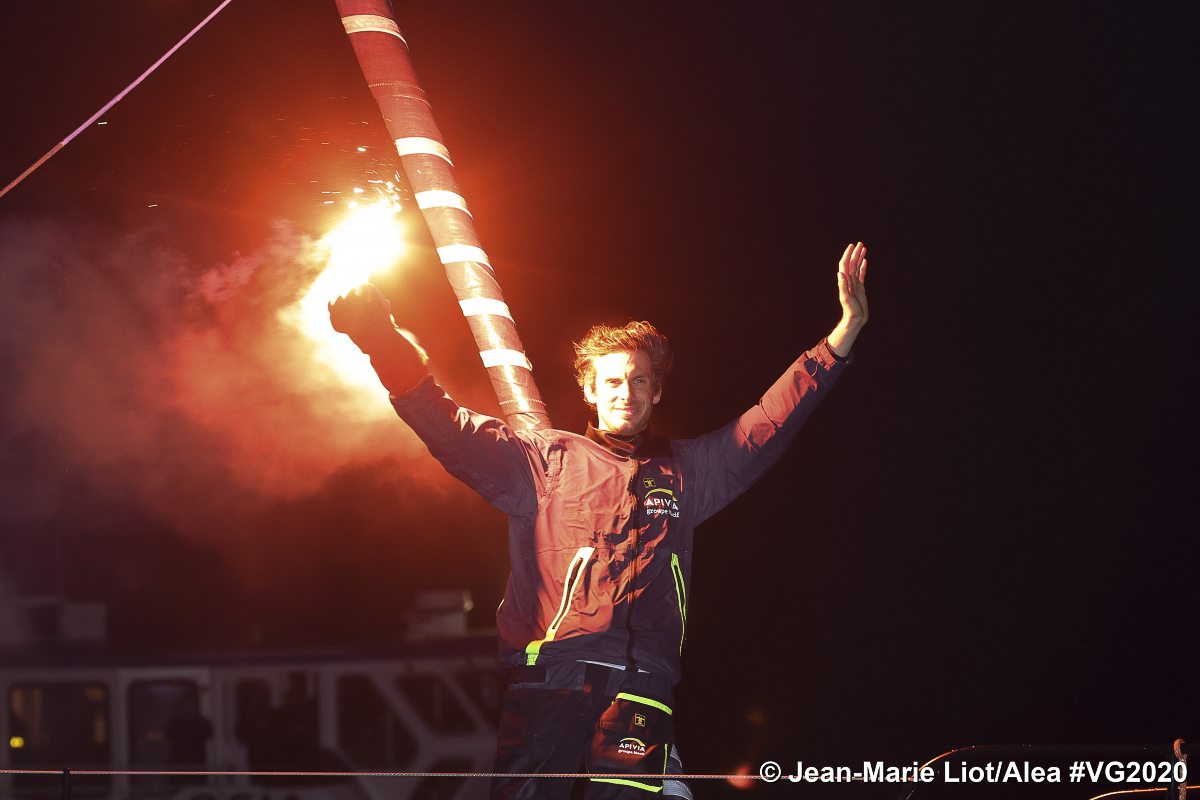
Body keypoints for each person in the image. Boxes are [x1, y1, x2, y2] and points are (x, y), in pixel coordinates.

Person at [329, 242, 870, 800]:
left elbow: (769, 424)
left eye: (639, 381)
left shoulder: (689, 472)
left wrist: (843, 335)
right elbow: (447, 425)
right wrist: (380, 341)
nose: (626, 393)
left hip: (640, 688)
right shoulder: (544, 460)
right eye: (612, 381)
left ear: (656, 390)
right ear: (589, 391)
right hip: (550, 682)